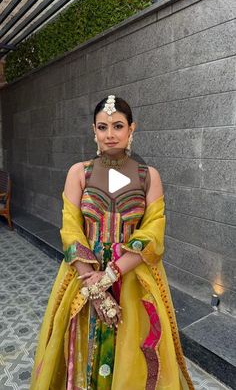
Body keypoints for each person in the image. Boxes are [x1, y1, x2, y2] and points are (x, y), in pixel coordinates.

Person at [30, 95, 194, 390]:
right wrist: (92, 284)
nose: (110, 134)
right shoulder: (79, 173)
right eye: (102, 127)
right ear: (94, 131)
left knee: (130, 353)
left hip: (131, 276)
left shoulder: (148, 177)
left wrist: (109, 275)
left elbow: (152, 233)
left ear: (132, 129)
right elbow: (70, 228)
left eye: (118, 126)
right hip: (83, 273)